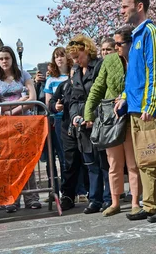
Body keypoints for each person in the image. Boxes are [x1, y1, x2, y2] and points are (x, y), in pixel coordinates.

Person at [115, 0, 156, 223]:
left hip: (147, 109)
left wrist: (151, 105)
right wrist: (123, 96)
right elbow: (135, 75)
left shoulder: (151, 32)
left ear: (139, 6)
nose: (121, 10)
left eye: (124, 5)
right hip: (135, 107)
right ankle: (151, 204)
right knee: (145, 158)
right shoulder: (137, 36)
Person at [84, 25, 140, 217]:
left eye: (119, 44)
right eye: (114, 44)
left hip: (132, 115)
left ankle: (135, 201)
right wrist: (88, 114)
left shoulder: (137, 58)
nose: (116, 47)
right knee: (114, 164)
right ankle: (115, 202)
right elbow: (98, 87)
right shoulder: (109, 61)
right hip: (111, 117)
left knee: (133, 163)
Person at [0, 46, 41, 212]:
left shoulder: (23, 75)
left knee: (28, 160)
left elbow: (33, 98)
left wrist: (14, 109)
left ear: (13, 59)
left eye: (7, 58)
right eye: (1, 58)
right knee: (10, 163)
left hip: (25, 123)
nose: (4, 61)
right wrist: (21, 102)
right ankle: (12, 198)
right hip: (5, 126)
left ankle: (32, 197)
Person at [67, 35, 111, 214]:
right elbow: (73, 99)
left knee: (105, 163)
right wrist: (75, 117)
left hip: (99, 120)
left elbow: (101, 94)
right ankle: (95, 199)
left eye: (78, 56)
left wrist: (91, 115)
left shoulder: (99, 66)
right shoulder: (76, 71)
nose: (76, 60)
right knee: (90, 163)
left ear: (86, 50)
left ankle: (109, 198)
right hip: (83, 124)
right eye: (74, 58)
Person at [50, 66, 89, 211]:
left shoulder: (87, 85)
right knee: (70, 163)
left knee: (88, 161)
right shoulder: (64, 86)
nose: (75, 78)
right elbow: (52, 102)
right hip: (68, 129)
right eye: (73, 75)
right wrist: (56, 106)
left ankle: (93, 193)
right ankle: (67, 196)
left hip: (86, 128)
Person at [44, 47, 70, 195]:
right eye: (56, 56)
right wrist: (55, 106)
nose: (59, 59)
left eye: (62, 55)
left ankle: (78, 189)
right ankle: (63, 191)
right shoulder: (51, 80)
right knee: (62, 156)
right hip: (58, 120)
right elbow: (48, 103)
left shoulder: (73, 75)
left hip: (73, 118)